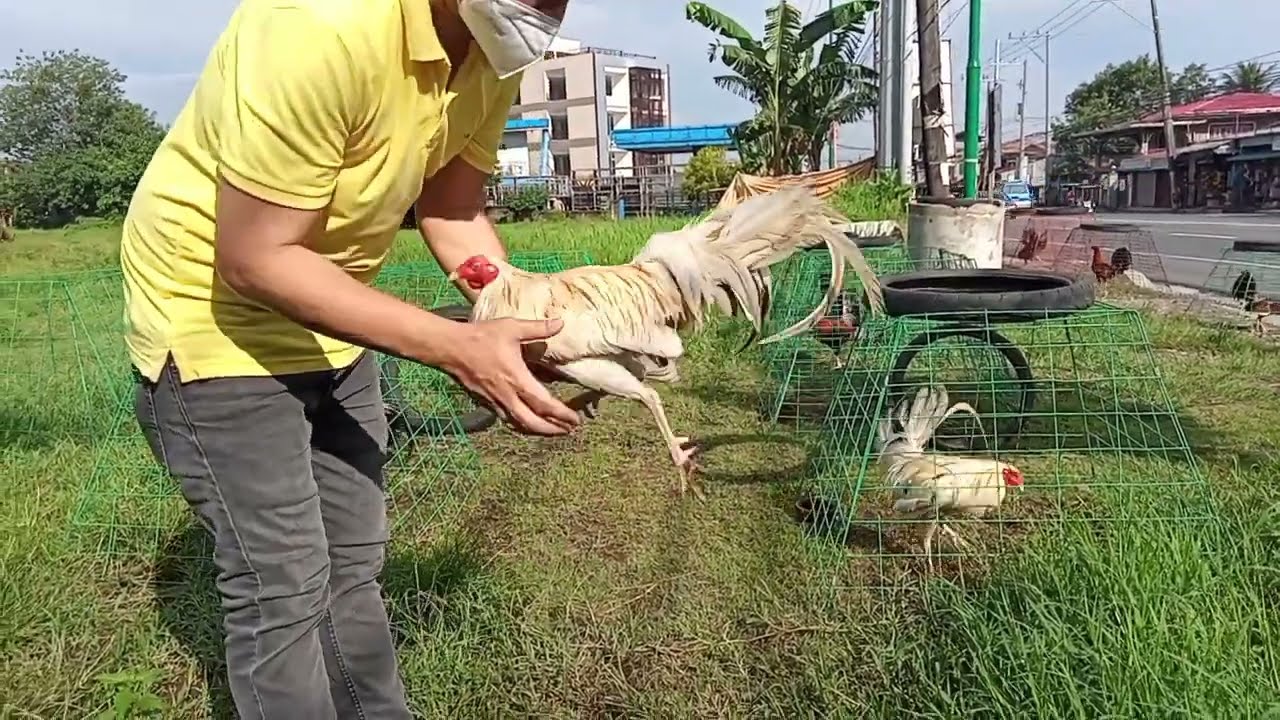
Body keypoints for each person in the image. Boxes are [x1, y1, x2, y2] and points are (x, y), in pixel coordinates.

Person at [119, 0, 578, 717]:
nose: (542, 10)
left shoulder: (494, 51)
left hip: (333, 313)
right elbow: (255, 258)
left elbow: (453, 210)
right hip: (215, 321)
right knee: (282, 590)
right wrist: (455, 346)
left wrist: (515, 318)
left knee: (353, 563)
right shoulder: (318, 25)